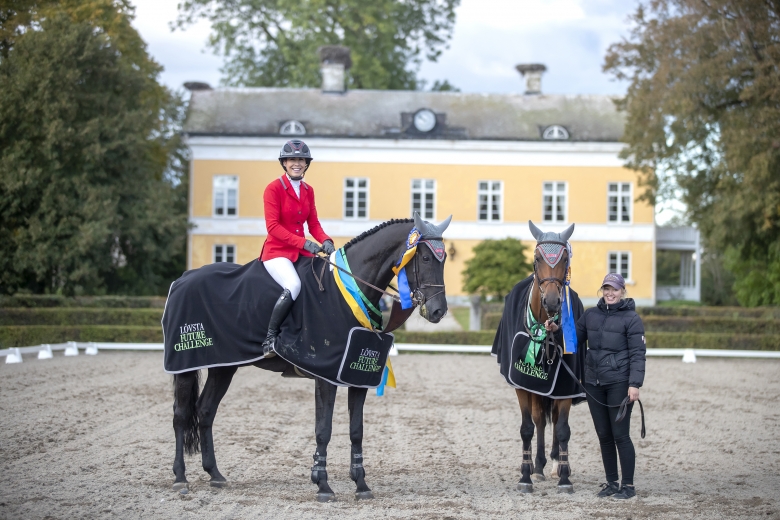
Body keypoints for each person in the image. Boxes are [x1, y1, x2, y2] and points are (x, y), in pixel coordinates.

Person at [260, 139, 336, 357]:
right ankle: (270, 338)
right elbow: (272, 227)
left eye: (301, 159)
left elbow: (313, 224)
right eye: (292, 159)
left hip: (300, 252)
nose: (297, 163)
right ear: (284, 163)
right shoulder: (273, 189)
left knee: (321, 280)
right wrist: (304, 243)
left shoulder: (308, 190)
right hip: (277, 252)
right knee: (293, 285)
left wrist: (326, 241)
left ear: (306, 164)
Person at [575, 273, 646, 499]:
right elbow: (572, 338)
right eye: (606, 288)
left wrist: (634, 384)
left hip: (619, 384)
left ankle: (629, 486)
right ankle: (611, 482)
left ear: (623, 291)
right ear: (602, 290)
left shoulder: (632, 319)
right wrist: (554, 330)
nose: (610, 293)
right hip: (594, 383)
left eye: (614, 289)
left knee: (620, 435)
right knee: (603, 434)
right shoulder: (590, 315)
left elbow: (638, 354)